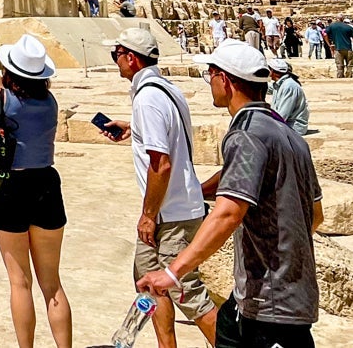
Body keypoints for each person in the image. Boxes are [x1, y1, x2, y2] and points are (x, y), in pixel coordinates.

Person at [138, 40, 322, 348]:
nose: (210, 81)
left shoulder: (245, 134)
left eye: (210, 74)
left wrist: (172, 272)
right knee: (225, 327)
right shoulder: (289, 135)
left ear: (224, 79)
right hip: (282, 296)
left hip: (270, 306)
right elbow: (315, 215)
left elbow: (228, 213)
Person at [0, 34, 72, 348]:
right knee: (52, 284)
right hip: (45, 185)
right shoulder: (50, 102)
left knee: (20, 282)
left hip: (9, 188)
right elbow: (14, 103)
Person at [102, 29, 217, 348]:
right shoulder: (165, 89)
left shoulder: (147, 98)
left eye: (116, 55)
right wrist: (134, 129)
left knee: (189, 295)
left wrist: (148, 216)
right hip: (175, 208)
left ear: (131, 58)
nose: (115, 61)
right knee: (149, 283)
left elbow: (161, 164)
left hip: (170, 214)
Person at [267, 58, 309, 135]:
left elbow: (282, 116)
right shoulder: (281, 83)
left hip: (293, 127)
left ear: (272, 71)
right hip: (285, 124)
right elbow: (266, 88)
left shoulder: (289, 86)